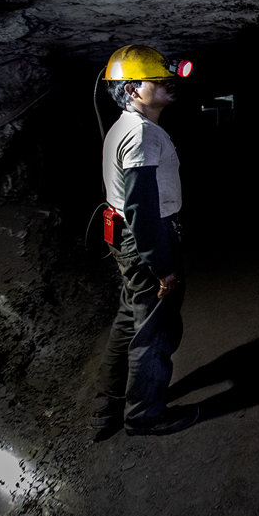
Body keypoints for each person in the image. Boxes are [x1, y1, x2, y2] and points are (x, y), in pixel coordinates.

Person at [90, 44, 199, 439]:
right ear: (134, 89)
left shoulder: (126, 126)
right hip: (147, 239)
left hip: (125, 239)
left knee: (128, 320)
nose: (169, 83)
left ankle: (107, 408)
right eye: (159, 79)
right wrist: (162, 265)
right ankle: (144, 416)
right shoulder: (140, 135)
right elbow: (141, 207)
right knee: (156, 329)